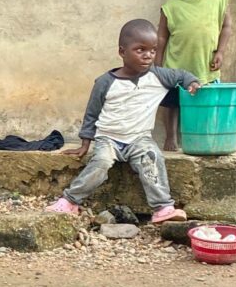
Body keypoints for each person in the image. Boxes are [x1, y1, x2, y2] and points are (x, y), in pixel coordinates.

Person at [46, 20, 200, 223]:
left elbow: (182, 75)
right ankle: (69, 201)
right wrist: (85, 144)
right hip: (108, 139)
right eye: (140, 50)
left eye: (153, 51)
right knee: (100, 163)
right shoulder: (105, 82)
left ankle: (163, 208)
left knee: (152, 158)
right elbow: (92, 114)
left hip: (139, 139)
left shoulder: (159, 76)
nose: (148, 55)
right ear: (122, 51)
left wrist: (192, 82)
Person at [156, 0, 232, 151]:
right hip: (175, 66)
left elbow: (226, 27)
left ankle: (205, 136)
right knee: (172, 104)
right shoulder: (170, 7)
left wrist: (221, 52)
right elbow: (161, 38)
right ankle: (171, 138)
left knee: (206, 102)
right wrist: (157, 66)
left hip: (205, 65)